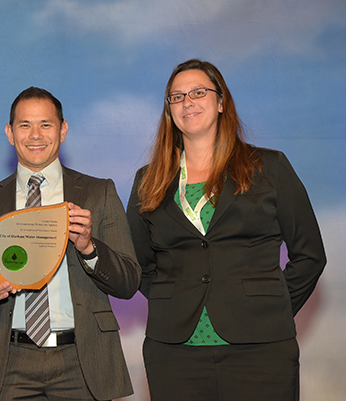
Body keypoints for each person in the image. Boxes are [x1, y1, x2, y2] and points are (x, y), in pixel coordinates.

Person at [126, 59, 326, 401]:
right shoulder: (149, 180)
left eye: (198, 92)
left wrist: (268, 308)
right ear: (169, 111)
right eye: (176, 96)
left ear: (221, 103)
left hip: (261, 352)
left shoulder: (270, 167)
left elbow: (309, 256)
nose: (187, 101)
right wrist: (172, 301)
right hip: (174, 355)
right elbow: (139, 263)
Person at [0, 87, 141, 401]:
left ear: (63, 130)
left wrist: (88, 248)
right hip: (10, 361)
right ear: (10, 133)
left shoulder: (99, 193)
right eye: (24, 125)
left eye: (46, 124)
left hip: (83, 360)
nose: (35, 135)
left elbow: (129, 281)